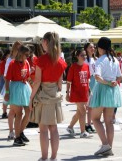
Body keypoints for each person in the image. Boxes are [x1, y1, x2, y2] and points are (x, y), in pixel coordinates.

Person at [29, 32, 67, 161]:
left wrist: (31, 97)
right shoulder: (61, 61)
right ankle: (54, 157)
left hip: (43, 95)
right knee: (54, 128)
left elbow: (37, 81)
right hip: (54, 94)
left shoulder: (41, 60)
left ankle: (44, 157)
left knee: (43, 128)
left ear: (46, 42)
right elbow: (60, 83)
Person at [89, 37, 122, 156]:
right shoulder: (115, 60)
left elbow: (97, 77)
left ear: (100, 48)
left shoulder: (100, 60)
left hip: (103, 89)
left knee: (95, 118)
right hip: (113, 90)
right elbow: (119, 77)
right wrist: (113, 82)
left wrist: (108, 83)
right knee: (109, 121)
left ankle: (104, 145)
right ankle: (109, 147)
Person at [5, 45, 32, 146]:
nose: (28, 56)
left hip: (25, 87)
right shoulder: (12, 63)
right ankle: (17, 138)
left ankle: (20, 132)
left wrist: (34, 87)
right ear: (21, 53)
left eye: (28, 54)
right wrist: (7, 93)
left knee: (29, 111)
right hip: (15, 88)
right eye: (26, 54)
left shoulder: (26, 63)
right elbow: (7, 79)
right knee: (19, 113)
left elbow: (28, 77)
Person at [65, 49, 92, 138]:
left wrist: (89, 90)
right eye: (82, 55)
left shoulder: (86, 66)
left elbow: (88, 80)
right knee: (83, 111)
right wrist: (67, 93)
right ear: (77, 57)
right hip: (76, 93)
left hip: (84, 93)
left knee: (79, 113)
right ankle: (82, 132)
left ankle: (70, 127)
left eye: (85, 55)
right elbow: (68, 82)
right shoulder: (73, 67)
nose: (84, 57)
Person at [4, 41, 22, 139]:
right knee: (13, 111)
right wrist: (7, 91)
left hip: (21, 86)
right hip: (12, 85)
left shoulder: (22, 59)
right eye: (18, 48)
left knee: (17, 111)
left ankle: (17, 131)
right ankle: (12, 131)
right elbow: (6, 75)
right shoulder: (10, 60)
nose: (19, 50)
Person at [84, 43, 96, 133]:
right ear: (86, 49)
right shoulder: (85, 60)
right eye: (90, 47)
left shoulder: (94, 59)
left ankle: (89, 123)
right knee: (86, 105)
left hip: (94, 81)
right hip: (88, 81)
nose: (93, 48)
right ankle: (85, 124)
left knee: (91, 106)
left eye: (93, 47)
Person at [0, 49, 10, 117]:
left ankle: (8, 112)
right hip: (5, 80)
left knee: (10, 97)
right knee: (5, 97)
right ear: (6, 55)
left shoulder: (10, 61)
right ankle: (4, 112)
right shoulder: (3, 62)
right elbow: (3, 74)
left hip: (7, 80)